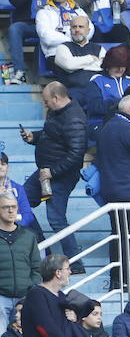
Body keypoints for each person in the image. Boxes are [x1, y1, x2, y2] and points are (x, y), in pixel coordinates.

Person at [19, 80, 83, 266]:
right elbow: (51, 134)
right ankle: (41, 244)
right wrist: (34, 137)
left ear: (56, 98)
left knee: (56, 218)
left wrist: (52, 172)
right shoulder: (55, 112)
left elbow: (76, 154)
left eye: (46, 101)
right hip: (44, 172)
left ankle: (76, 263)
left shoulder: (74, 119)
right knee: (21, 202)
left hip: (60, 176)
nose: (44, 104)